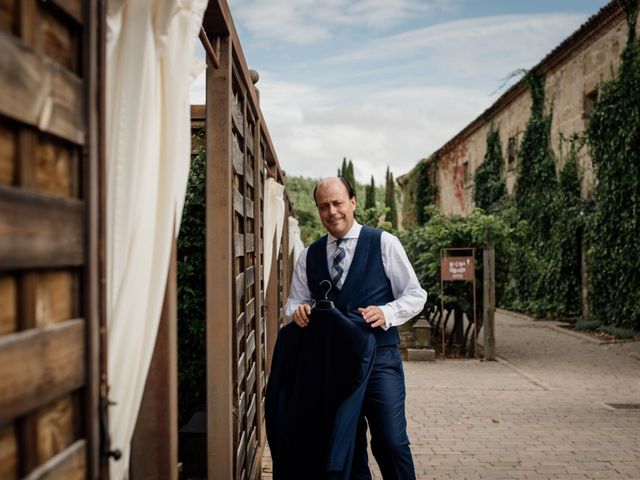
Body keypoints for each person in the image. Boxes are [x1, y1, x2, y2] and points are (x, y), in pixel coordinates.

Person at [284, 176, 427, 480]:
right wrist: (298, 311)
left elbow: (415, 295)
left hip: (379, 358)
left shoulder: (384, 242)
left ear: (353, 202)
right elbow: (294, 301)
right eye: (324, 206)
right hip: (333, 365)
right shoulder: (309, 255)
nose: (332, 211)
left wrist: (386, 312)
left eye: (337, 203)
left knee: (391, 441)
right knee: (345, 446)